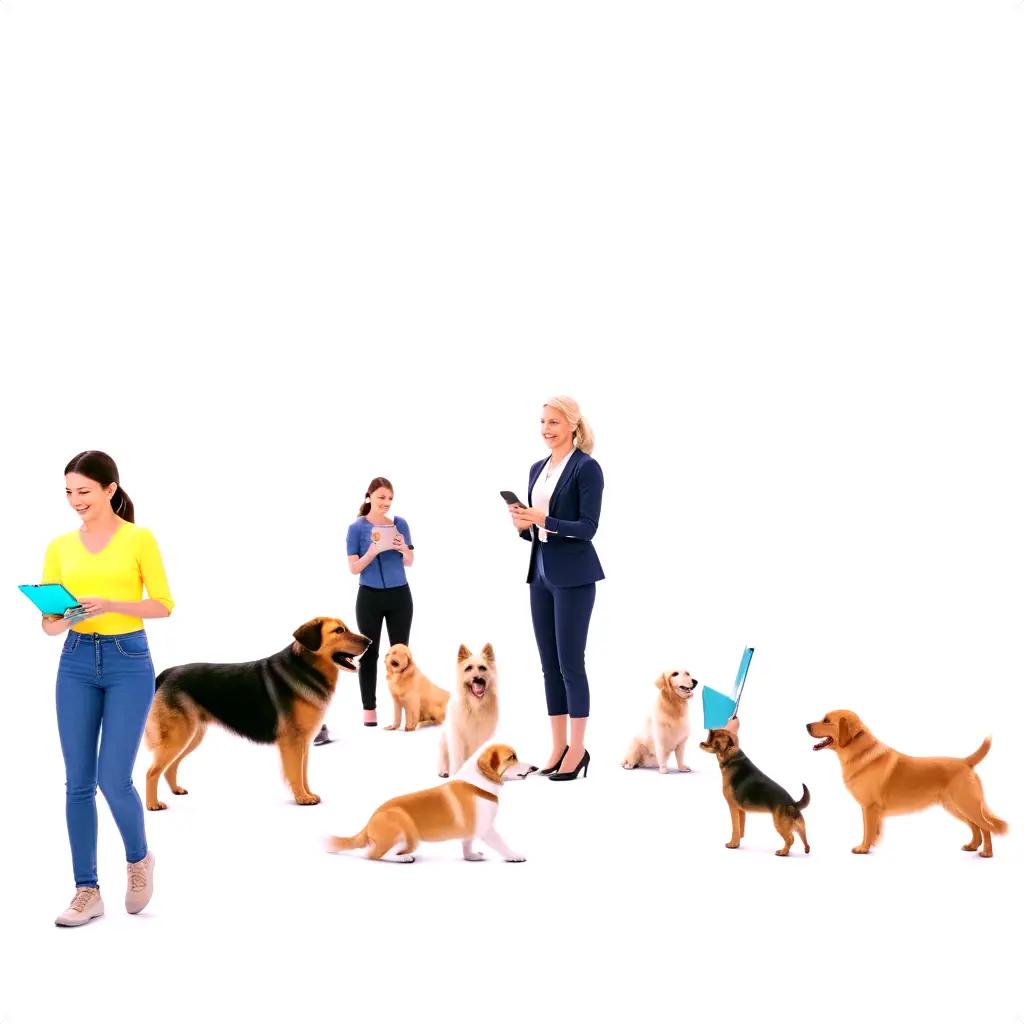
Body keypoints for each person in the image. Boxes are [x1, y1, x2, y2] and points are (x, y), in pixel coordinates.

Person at [40, 451, 174, 927]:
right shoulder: (59, 546)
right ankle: (86, 891)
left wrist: (109, 604)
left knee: (112, 778)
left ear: (110, 489)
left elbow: (162, 605)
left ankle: (139, 861)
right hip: (75, 660)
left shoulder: (139, 539)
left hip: (128, 662)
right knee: (77, 782)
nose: (76, 501)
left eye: (85, 491)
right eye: (69, 493)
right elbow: (49, 626)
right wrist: (64, 616)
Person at [510, 396, 604, 782]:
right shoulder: (537, 468)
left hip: (575, 575)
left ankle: (578, 749)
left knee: (570, 663)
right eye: (543, 422)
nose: (547, 429)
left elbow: (587, 527)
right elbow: (537, 530)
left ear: (573, 425)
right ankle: (558, 745)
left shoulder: (587, 468)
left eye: (554, 422)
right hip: (541, 572)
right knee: (548, 665)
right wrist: (523, 525)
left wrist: (544, 519)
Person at [314, 477, 414, 742]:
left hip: (400, 595)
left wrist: (402, 547)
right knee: (368, 652)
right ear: (369, 496)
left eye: (390, 498)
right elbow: (354, 568)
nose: (386, 503)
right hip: (369, 596)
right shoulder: (356, 529)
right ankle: (369, 709)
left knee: (401, 653)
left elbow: (410, 561)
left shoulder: (400, 524)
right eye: (381, 497)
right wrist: (373, 550)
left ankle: (404, 709)